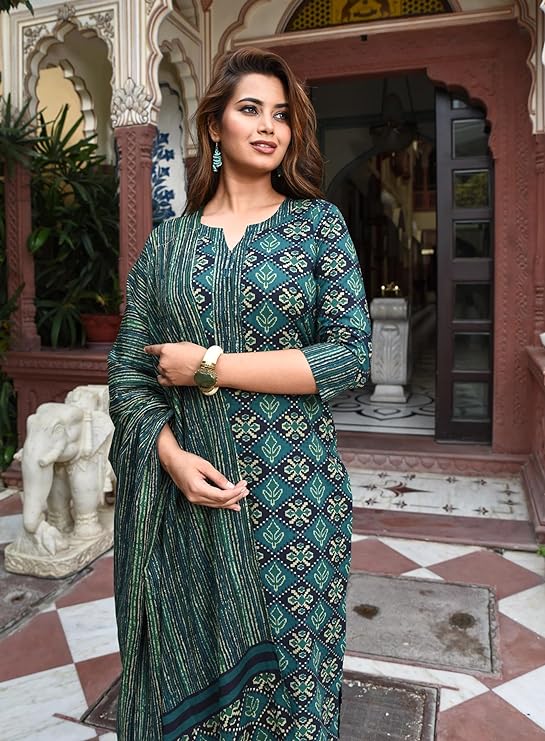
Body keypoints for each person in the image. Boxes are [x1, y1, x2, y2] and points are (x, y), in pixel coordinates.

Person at [108, 47, 371, 741]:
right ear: (214, 127)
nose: (268, 127)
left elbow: (348, 356)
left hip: (295, 504)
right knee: (194, 690)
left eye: (281, 115)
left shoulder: (317, 228)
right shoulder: (166, 247)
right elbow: (129, 373)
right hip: (187, 506)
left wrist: (209, 366)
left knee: (294, 683)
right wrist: (170, 459)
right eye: (250, 109)